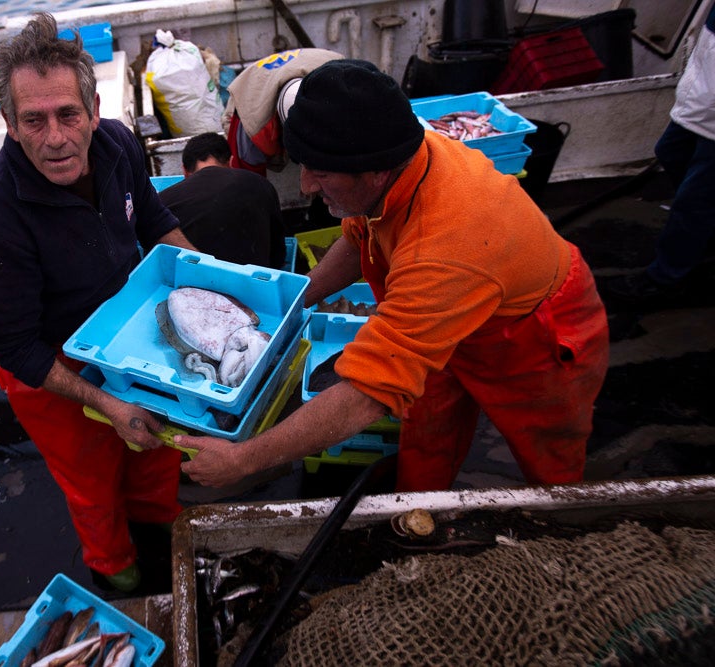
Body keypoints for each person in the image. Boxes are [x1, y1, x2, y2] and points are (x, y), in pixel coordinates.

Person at [176, 59, 610, 493]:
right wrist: (294, 301)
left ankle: (561, 527)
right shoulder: (401, 161)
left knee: (549, 455)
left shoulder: (443, 247)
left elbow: (369, 391)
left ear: (376, 172)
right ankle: (417, 512)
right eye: (303, 166)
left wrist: (243, 458)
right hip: (450, 312)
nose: (306, 185)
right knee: (426, 427)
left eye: (321, 173)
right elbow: (359, 234)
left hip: (534, 332)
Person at [0, 13, 195, 593]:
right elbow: (12, 347)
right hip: (51, 365)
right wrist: (104, 403)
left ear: (91, 111)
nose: (55, 137)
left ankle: (162, 538)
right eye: (33, 120)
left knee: (156, 448)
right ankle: (118, 573)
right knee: (92, 484)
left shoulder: (116, 143)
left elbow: (157, 221)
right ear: (10, 125)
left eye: (68, 114)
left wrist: (211, 283)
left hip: (128, 333)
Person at [606, 5, 715, 305]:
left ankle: (666, 278)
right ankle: (703, 235)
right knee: (670, 151)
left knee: (695, 200)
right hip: (704, 88)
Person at [159, 132, 286, 268]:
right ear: (231, 162)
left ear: (184, 170)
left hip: (189, 284)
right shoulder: (262, 184)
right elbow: (278, 256)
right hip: (258, 284)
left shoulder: (163, 201)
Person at [224, 48, 343, 175]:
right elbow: (248, 181)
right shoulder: (252, 125)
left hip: (316, 61)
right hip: (253, 85)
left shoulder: (342, 76)